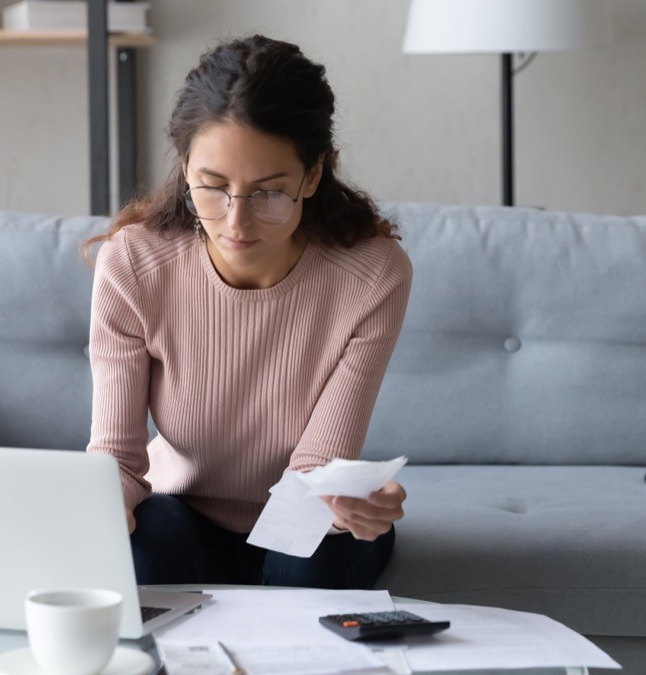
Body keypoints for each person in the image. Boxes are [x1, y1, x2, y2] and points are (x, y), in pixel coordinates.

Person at [85, 34, 412, 590]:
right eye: (212, 188)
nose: (236, 223)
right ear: (185, 167)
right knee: (143, 552)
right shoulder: (134, 264)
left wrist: (348, 504)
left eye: (269, 193)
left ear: (313, 175)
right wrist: (99, 511)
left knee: (303, 565)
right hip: (182, 511)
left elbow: (316, 470)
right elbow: (116, 458)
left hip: (307, 521)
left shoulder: (372, 275)